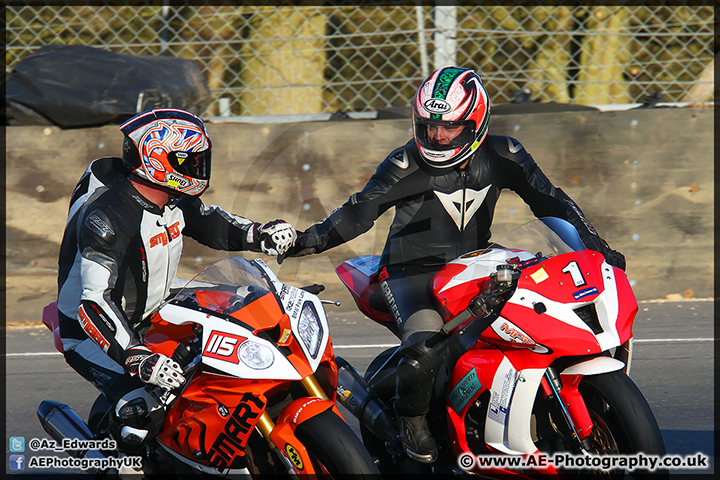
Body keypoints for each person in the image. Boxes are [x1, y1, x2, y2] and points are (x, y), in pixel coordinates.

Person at [281, 67, 625, 463]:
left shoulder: (504, 154)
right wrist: (307, 241)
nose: (438, 136)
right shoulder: (405, 164)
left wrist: (597, 247)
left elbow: (551, 202)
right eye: (428, 126)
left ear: (477, 123)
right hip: (411, 272)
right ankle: (412, 427)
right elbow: (358, 213)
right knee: (428, 348)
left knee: (537, 318)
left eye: (450, 127)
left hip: (477, 263)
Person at [56, 108, 297, 456]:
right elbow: (94, 304)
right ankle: (118, 460)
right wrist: (138, 357)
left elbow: (211, 223)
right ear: (157, 160)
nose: (198, 168)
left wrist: (259, 234)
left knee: (246, 313)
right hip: (94, 330)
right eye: (189, 160)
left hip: (158, 301)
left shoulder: (169, 196)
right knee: (143, 408)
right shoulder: (107, 216)